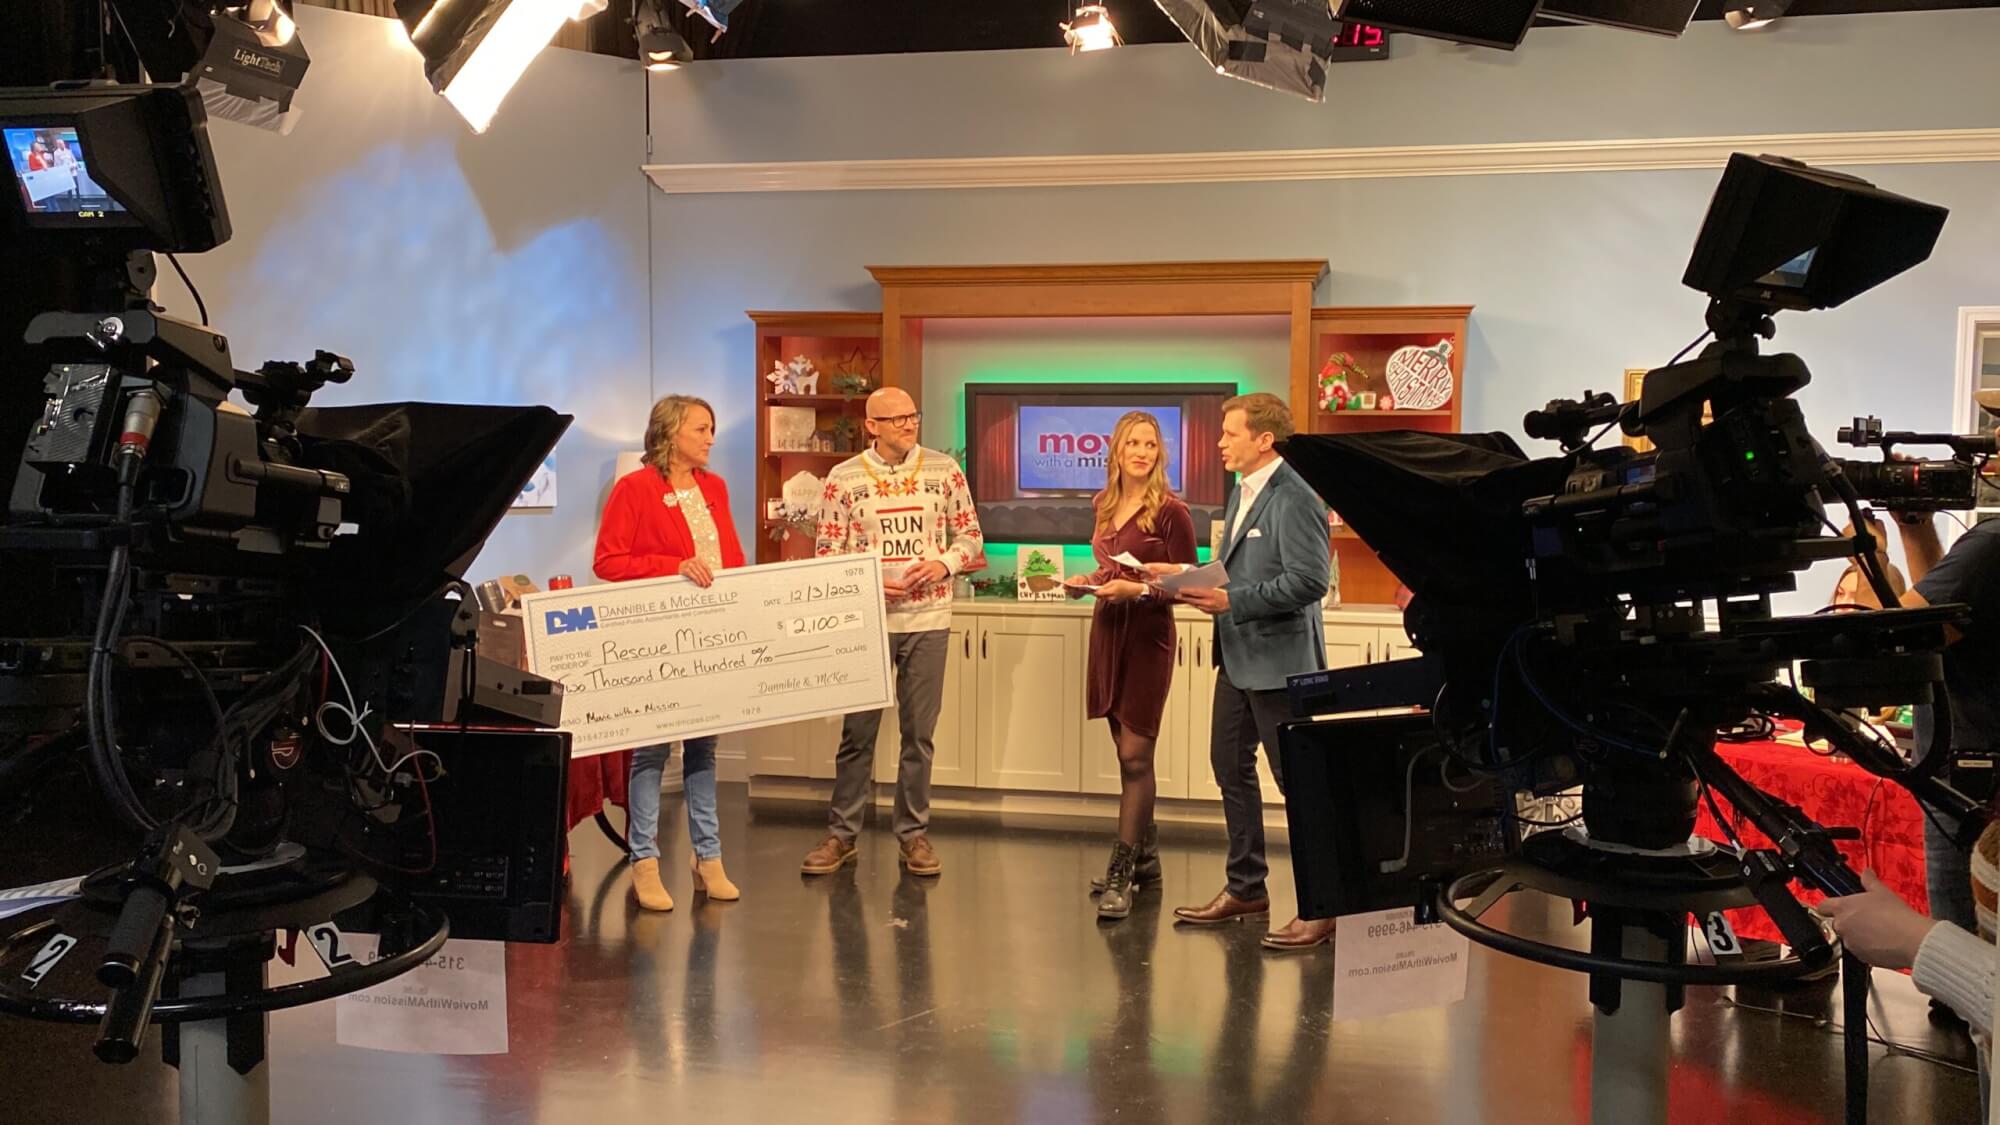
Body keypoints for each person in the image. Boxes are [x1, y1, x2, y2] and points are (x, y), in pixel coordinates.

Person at [1168, 392, 1333, 951]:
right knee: (1228, 767)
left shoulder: (1296, 496)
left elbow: (1309, 582)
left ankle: (1323, 906)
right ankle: (1246, 888)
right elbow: (1239, 569)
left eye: (1229, 433)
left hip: (1281, 666)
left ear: (1264, 440)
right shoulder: (1243, 491)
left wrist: (1231, 601)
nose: (1219, 443)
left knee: (1299, 785)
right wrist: (1185, 576)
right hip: (1237, 659)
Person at [801, 386, 983, 877]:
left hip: (930, 621)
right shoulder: (843, 478)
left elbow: (971, 536)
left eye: (912, 416)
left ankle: (914, 835)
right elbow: (827, 552)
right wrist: (865, 582)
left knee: (918, 735)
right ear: (872, 426)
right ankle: (842, 836)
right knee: (857, 735)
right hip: (868, 623)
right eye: (897, 418)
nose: (909, 424)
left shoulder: (945, 470)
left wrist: (944, 564)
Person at [593, 394, 745, 911]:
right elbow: (608, 562)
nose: (710, 438)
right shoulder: (635, 488)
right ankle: (644, 860)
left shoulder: (715, 488)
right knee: (652, 751)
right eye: (701, 429)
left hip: (712, 632)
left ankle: (708, 857)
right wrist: (673, 566)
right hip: (660, 637)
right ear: (670, 432)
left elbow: (731, 557)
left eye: (711, 429)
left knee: (704, 749)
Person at [1063, 410, 1199, 920]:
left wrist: (1138, 591)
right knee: (1125, 754)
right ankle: (1147, 861)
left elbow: (1190, 583)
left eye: (1150, 444)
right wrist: (1088, 581)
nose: (1141, 452)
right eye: (1132, 444)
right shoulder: (1102, 504)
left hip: (1148, 637)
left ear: (1159, 453)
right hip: (1108, 631)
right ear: (1116, 452)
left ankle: (1122, 871)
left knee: (1135, 757)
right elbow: (1112, 567)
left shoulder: (1172, 512)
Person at [1889, 493, 2000, 1006]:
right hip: (1976, 770)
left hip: (1971, 783)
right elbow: (1949, 622)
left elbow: (1897, 637)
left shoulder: (1991, 543)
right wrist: (1915, 531)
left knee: (1968, 981)